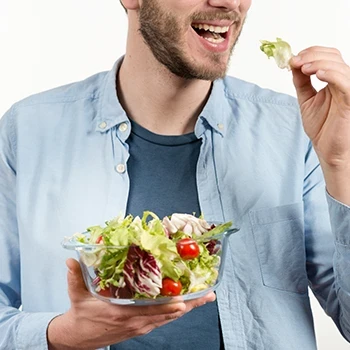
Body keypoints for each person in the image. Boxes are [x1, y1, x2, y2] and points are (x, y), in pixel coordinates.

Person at [1, 0, 350, 349]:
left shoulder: (297, 129)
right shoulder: (28, 131)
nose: (230, 2)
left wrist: (341, 163)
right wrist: (61, 335)